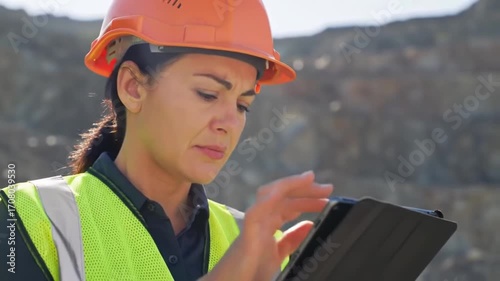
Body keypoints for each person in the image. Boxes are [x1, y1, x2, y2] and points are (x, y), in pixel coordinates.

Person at [0, 0, 334, 280]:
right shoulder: (24, 220)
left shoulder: (265, 247)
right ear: (133, 87)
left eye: (243, 105)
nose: (229, 123)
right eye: (207, 94)